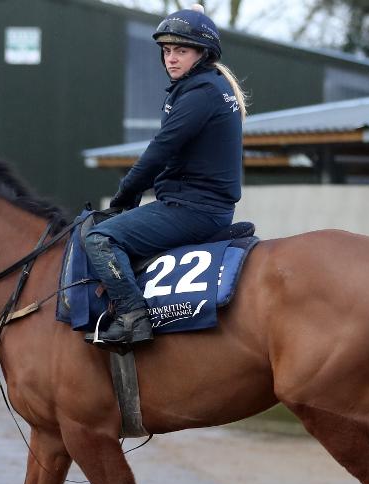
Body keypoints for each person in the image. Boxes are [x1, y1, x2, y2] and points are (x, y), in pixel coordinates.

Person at [84, 3, 248, 347]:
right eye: (167, 51)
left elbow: (160, 151)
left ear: (202, 54)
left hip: (193, 210)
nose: (171, 59)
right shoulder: (205, 86)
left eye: (181, 51)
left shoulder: (201, 94)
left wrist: (124, 195)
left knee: (100, 239)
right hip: (195, 205)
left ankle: (132, 317)